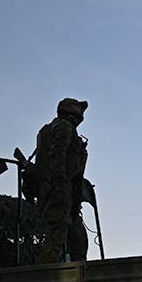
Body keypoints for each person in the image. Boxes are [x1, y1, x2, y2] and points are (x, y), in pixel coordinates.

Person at [35, 98, 90, 264]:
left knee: (78, 239)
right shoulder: (63, 126)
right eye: (79, 110)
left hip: (63, 191)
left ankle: (77, 278)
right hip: (59, 190)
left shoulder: (51, 129)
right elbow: (57, 155)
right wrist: (60, 185)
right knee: (55, 241)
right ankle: (45, 280)